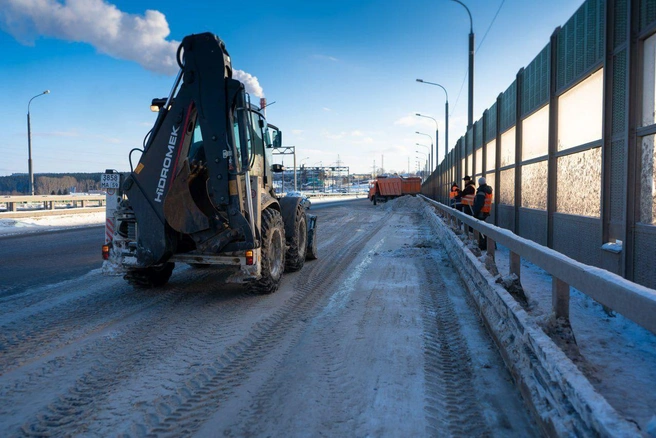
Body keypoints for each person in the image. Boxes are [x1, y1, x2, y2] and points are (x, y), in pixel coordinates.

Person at [472, 177, 493, 250]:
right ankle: (489, 244)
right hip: (486, 211)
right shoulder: (488, 190)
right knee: (483, 227)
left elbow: (479, 204)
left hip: (481, 212)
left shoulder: (481, 191)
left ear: (479, 183)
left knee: (480, 228)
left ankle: (483, 245)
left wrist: (475, 213)